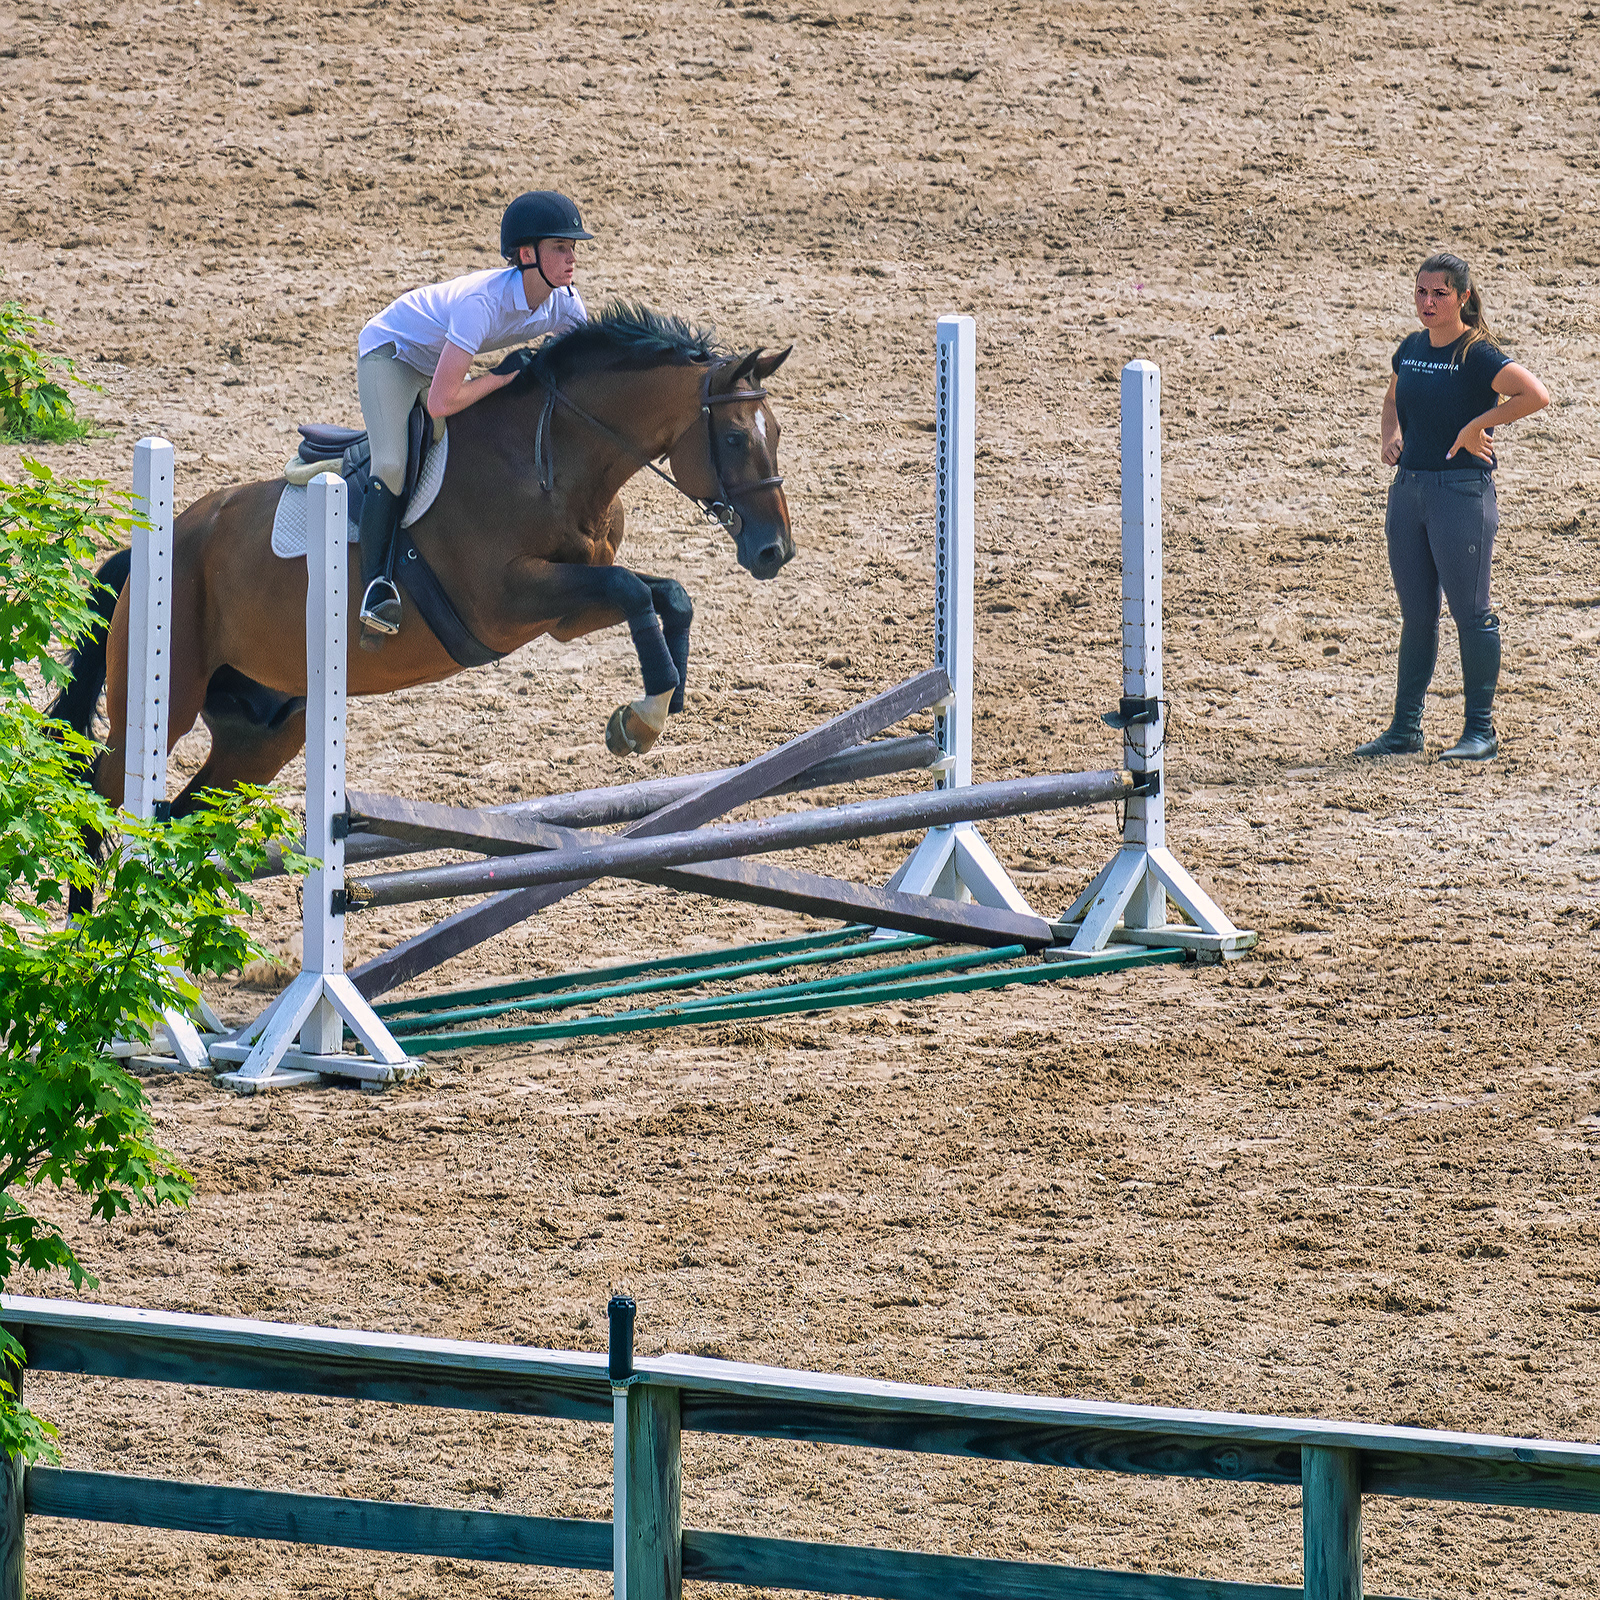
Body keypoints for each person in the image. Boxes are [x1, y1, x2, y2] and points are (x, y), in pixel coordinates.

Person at [353, 190, 592, 641]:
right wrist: (501, 378)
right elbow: (440, 403)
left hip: (439, 360)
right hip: (392, 354)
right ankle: (375, 588)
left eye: (573, 247)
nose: (571, 257)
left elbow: (581, 369)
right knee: (392, 464)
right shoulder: (481, 304)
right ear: (527, 255)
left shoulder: (564, 302)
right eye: (560, 247)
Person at [1355, 252, 1549, 761]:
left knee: (1471, 612)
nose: (1428, 302)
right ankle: (1405, 730)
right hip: (1409, 492)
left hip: (1460, 495)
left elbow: (1535, 395)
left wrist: (1478, 425)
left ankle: (1480, 732)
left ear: (1462, 297)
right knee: (1417, 615)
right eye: (1421, 292)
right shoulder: (1411, 348)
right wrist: (1390, 436)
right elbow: (1393, 399)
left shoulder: (1476, 354)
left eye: (1439, 293)